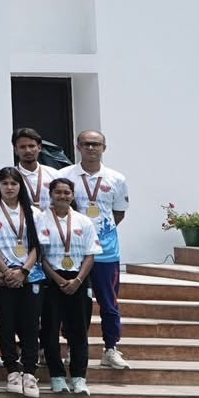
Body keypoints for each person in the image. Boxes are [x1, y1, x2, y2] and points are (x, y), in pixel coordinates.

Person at [60, 131, 131, 370]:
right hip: (73, 251)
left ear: (104, 147)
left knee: (108, 301)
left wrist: (99, 236)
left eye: (96, 144)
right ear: (78, 146)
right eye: (87, 144)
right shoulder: (65, 175)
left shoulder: (116, 179)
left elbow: (118, 213)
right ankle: (72, 347)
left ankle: (111, 348)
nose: (92, 148)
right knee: (73, 302)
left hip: (106, 251)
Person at [0, 167, 44, 398]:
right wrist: (7, 272)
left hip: (31, 276)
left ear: (21, 186)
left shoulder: (35, 213)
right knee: (6, 324)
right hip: (2, 277)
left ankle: (29, 370)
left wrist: (23, 271)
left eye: (14, 183)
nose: (9, 188)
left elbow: (37, 247)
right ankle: (12, 368)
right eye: (4, 183)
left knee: (30, 325)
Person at [38, 177, 98, 395]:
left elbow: (91, 254)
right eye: (58, 192)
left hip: (78, 279)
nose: (62, 196)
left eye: (67, 192)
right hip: (52, 279)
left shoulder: (84, 221)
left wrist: (78, 280)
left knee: (79, 331)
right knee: (50, 329)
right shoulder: (41, 219)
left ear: (73, 195)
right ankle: (57, 376)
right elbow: (39, 255)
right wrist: (57, 278)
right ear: (51, 194)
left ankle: (79, 377)